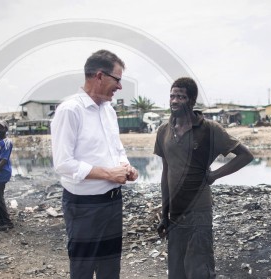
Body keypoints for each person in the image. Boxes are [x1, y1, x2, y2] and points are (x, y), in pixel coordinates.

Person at [51, 49, 139, 279]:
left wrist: (125, 166)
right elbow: (63, 163)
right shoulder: (70, 110)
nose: (120, 87)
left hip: (112, 202)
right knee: (83, 269)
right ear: (99, 76)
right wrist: (109, 173)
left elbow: (117, 148)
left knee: (110, 269)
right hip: (84, 207)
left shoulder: (108, 110)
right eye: (117, 80)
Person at [154, 77, 254, 278]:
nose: (174, 100)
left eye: (180, 97)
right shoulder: (164, 130)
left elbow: (245, 155)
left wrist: (215, 175)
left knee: (200, 269)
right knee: (176, 271)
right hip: (175, 212)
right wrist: (164, 214)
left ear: (191, 101)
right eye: (172, 96)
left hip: (199, 211)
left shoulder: (210, 129)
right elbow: (166, 172)